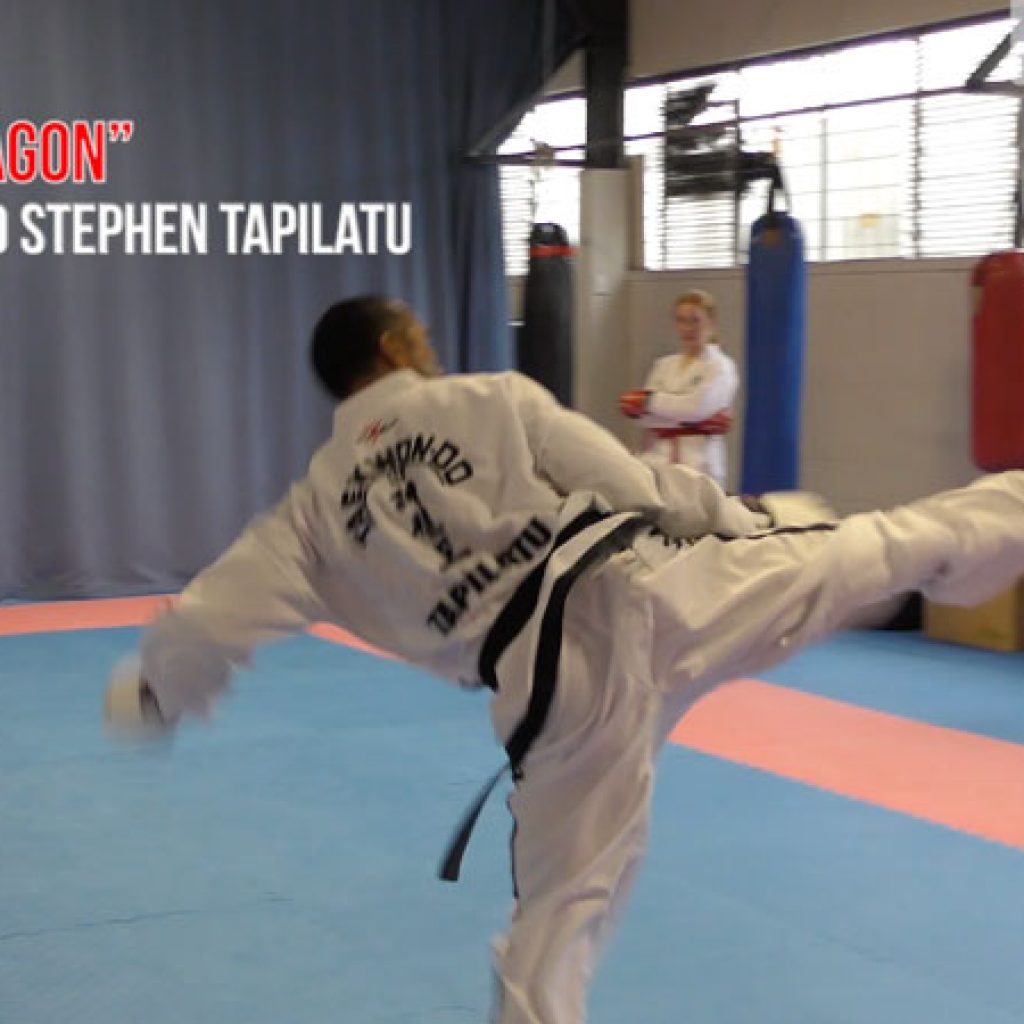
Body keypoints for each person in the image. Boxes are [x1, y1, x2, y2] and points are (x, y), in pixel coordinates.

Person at [106, 294, 1024, 1024]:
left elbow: (213, 616)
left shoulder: (309, 512)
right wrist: (736, 521)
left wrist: (153, 693)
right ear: (391, 349)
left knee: (555, 924)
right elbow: (633, 484)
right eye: (417, 333)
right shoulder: (487, 399)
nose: (428, 345)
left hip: (549, 694)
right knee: (877, 545)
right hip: (647, 591)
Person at [619, 289, 739, 488]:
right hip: (659, 457)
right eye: (681, 320)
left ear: (711, 322)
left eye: (695, 320)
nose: (688, 328)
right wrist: (682, 415)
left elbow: (696, 408)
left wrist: (649, 401)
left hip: (700, 463)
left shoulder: (721, 366)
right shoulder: (663, 365)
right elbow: (644, 418)